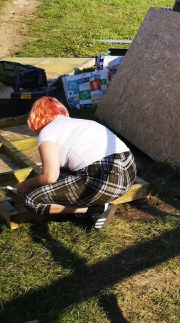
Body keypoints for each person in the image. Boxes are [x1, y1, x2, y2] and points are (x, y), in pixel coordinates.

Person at [16, 96, 136, 230]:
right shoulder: (85, 122)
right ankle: (90, 204)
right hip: (129, 172)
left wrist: (27, 184)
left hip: (104, 179)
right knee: (65, 173)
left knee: (32, 200)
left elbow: (49, 177)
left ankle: (96, 209)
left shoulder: (47, 131)